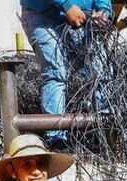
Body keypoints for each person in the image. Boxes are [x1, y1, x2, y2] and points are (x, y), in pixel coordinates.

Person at [20, 0, 112, 147]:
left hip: (83, 17)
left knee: (101, 74)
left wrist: (104, 10)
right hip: (44, 14)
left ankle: (108, 134)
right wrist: (66, 4)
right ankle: (57, 141)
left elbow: (104, 4)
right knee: (56, 74)